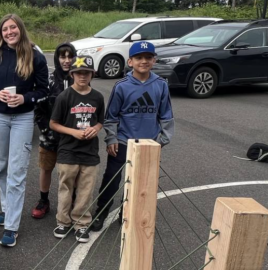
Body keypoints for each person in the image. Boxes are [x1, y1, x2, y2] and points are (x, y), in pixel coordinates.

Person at [0, 14, 49, 247]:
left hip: (22, 118)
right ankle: (7, 209)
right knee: (0, 168)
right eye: (5, 29)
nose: (9, 32)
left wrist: (25, 98)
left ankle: (12, 226)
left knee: (17, 171)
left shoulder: (35, 56)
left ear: (21, 29)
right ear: (1, 33)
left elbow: (43, 90)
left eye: (13, 27)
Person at [90, 41, 174, 232]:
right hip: (122, 142)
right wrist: (111, 139)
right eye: (139, 58)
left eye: (148, 58)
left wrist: (161, 141)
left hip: (149, 143)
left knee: (141, 181)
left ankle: (127, 212)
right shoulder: (121, 86)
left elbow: (166, 116)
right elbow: (111, 117)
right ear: (130, 61)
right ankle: (101, 212)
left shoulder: (161, 85)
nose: (143, 61)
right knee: (112, 178)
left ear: (154, 60)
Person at [48, 56, 106, 243]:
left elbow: (100, 121)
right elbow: (54, 124)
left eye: (86, 73)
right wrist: (73, 132)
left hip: (90, 152)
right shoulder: (65, 97)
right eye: (79, 73)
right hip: (68, 151)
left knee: (86, 190)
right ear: (72, 74)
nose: (82, 76)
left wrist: (95, 129)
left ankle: (81, 223)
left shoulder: (97, 97)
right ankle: (63, 221)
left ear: (92, 74)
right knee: (66, 187)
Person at [31, 42, 76, 219]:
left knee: (71, 171)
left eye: (70, 56)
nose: (66, 60)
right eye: (62, 56)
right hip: (50, 136)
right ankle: (44, 201)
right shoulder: (48, 80)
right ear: (57, 58)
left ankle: (71, 201)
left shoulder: (79, 79)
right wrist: (46, 129)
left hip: (73, 137)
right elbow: (38, 108)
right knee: (46, 168)